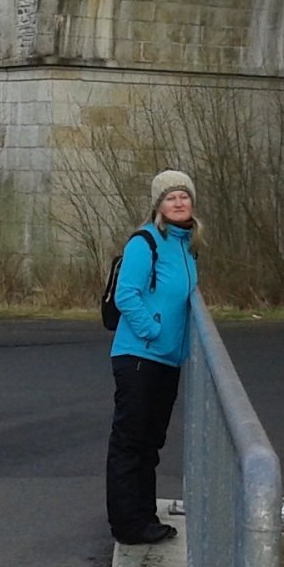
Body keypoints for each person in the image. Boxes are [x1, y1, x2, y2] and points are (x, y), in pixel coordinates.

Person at [106, 169, 199, 545]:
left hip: (167, 360)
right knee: (130, 442)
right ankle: (128, 525)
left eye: (184, 196)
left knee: (149, 443)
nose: (178, 203)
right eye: (170, 197)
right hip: (139, 357)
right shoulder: (145, 243)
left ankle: (144, 515)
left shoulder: (187, 245)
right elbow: (126, 294)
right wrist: (154, 332)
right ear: (158, 206)